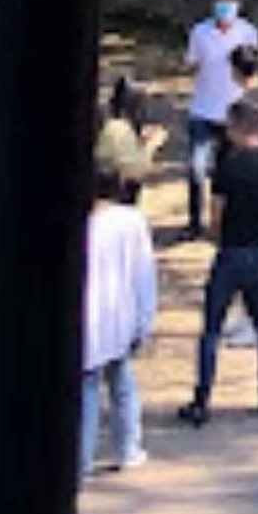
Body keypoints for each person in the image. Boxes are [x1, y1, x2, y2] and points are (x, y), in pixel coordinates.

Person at [175, 99, 258, 423]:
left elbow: (216, 215)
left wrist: (216, 234)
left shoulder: (229, 166)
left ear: (240, 128)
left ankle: (202, 397)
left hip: (231, 251)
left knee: (212, 328)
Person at [80, 161, 157, 477]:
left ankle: (81, 460)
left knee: (88, 390)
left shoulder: (85, 224)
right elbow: (144, 272)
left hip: (89, 317)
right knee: (122, 383)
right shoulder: (132, 221)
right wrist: (145, 318)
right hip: (121, 314)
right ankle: (128, 448)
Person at [179, 0, 251, 240]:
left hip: (233, 113)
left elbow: (251, 65)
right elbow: (190, 61)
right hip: (203, 111)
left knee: (228, 173)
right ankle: (194, 222)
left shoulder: (247, 32)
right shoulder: (200, 33)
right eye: (222, 4)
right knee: (196, 168)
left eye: (230, 4)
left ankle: (224, 223)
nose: (225, 9)